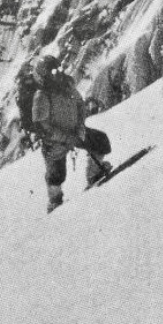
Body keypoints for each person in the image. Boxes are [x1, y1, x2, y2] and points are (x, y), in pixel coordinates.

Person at [31, 54, 111, 212]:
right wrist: (66, 137)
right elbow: (43, 127)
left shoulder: (67, 86)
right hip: (55, 142)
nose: (59, 74)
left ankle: (94, 173)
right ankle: (55, 200)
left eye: (59, 69)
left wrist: (80, 127)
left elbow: (80, 106)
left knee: (100, 141)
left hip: (74, 132)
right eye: (54, 72)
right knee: (56, 174)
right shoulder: (42, 96)